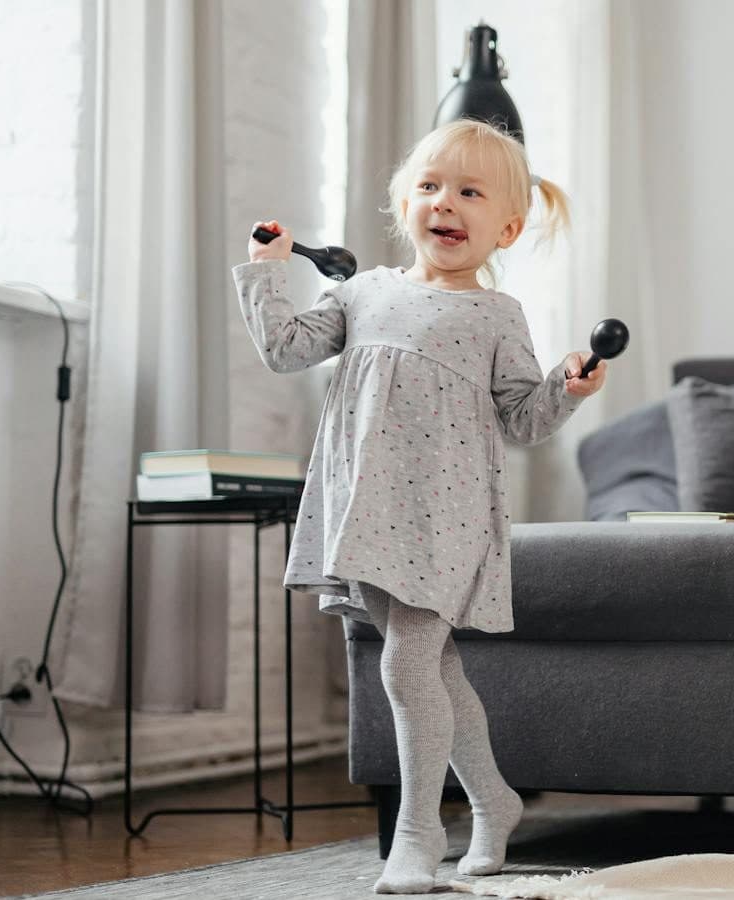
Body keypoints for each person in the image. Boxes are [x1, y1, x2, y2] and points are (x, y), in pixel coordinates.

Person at [234, 119, 604, 894]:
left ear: (506, 229)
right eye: (430, 187)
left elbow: (522, 419)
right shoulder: (362, 291)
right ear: (405, 205)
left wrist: (566, 388)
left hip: (448, 514)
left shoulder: (496, 316)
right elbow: (284, 350)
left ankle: (419, 831)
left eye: (469, 192)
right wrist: (266, 271)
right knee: (435, 668)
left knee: (406, 662)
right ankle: (495, 802)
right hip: (365, 508)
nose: (445, 203)